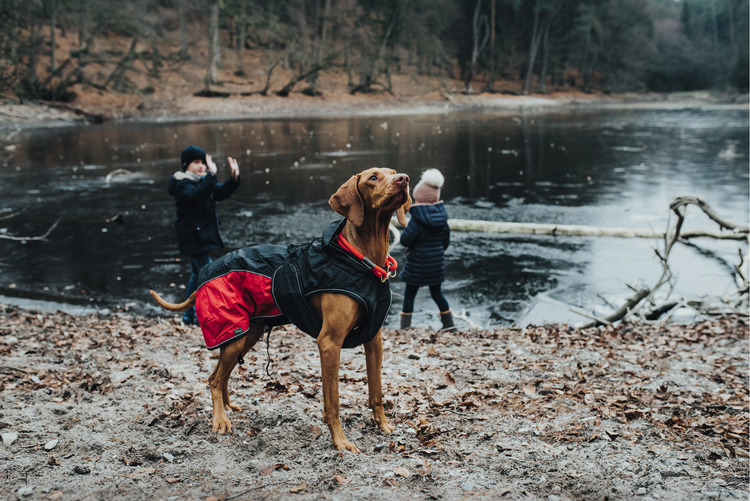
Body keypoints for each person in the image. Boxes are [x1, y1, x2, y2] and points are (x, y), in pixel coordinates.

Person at [169, 145, 241, 325]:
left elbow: (221, 192)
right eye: (196, 162)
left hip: (199, 238)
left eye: (203, 162)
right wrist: (210, 175)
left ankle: (189, 317)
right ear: (186, 165)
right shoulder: (182, 183)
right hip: (192, 238)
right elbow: (197, 196)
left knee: (197, 275)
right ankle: (217, 315)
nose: (201, 166)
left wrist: (233, 178)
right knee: (210, 274)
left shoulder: (202, 181)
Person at [399, 168, 455, 331]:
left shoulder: (417, 220)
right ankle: (449, 325)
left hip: (416, 264)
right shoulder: (443, 219)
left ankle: (405, 328)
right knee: (437, 294)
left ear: (420, 199)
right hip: (436, 264)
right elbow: (445, 243)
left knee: (409, 295)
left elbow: (405, 241)